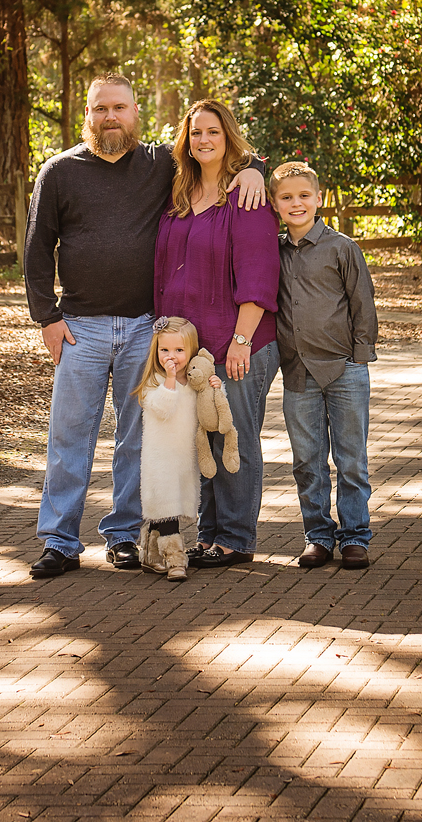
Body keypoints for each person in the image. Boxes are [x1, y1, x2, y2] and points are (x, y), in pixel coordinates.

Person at [23, 75, 266, 579]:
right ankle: (60, 541)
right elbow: (35, 247)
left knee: (139, 437)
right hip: (80, 327)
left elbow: (216, 151)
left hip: (143, 328)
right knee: (70, 436)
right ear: (85, 115)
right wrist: (46, 316)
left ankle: (123, 537)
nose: (110, 117)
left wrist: (255, 170)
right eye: (99, 109)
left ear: (136, 112)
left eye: (119, 108)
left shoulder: (160, 165)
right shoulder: (59, 172)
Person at [152, 100, 281, 569]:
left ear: (228, 137)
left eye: (213, 132)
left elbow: (259, 273)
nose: (203, 140)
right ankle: (209, 534)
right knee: (201, 440)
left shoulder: (245, 197)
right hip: (190, 348)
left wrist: (241, 342)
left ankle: (235, 539)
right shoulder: (179, 197)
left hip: (237, 343)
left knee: (233, 437)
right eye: (195, 134)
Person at [270, 161, 379, 570]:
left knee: (351, 458)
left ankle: (354, 536)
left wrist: (358, 356)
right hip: (298, 371)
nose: (296, 203)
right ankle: (318, 535)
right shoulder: (273, 251)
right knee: (307, 460)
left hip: (344, 370)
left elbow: (362, 303)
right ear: (275, 204)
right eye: (286, 197)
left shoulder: (341, 247)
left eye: (303, 195)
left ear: (320, 199)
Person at [133, 316, 216, 581]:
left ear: (191, 351)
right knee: (165, 506)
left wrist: (215, 388)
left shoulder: (193, 383)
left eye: (179, 350)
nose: (172, 357)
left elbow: (208, 414)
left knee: (167, 509)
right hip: (160, 461)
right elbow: (163, 408)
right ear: (156, 352)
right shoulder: (153, 382)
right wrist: (169, 379)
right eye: (165, 350)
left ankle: (149, 553)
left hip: (183, 460)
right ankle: (176, 560)